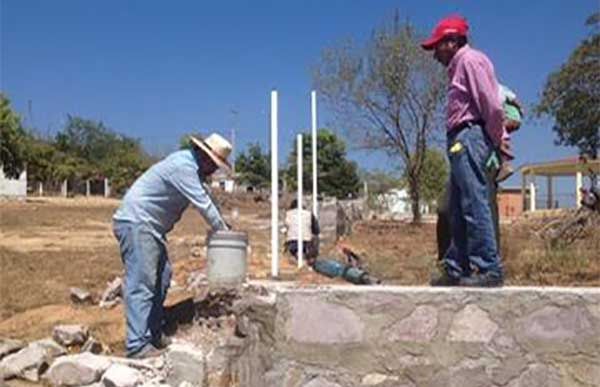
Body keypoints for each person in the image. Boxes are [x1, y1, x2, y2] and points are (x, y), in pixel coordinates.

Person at [112, 133, 232, 358]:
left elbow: (209, 200)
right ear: (205, 157)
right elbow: (204, 205)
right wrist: (226, 233)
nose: (215, 171)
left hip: (150, 227)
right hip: (137, 222)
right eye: (214, 166)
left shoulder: (193, 170)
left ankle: (153, 333)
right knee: (143, 282)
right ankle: (137, 345)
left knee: (163, 277)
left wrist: (224, 223)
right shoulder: (183, 167)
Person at [422, 15, 504, 287]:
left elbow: (491, 105)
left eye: (438, 47)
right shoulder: (458, 67)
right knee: (456, 207)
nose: (435, 54)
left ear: (453, 41)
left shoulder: (470, 61)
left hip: (470, 134)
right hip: (460, 137)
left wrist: (495, 139)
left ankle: (488, 268)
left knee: (473, 202)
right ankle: (457, 267)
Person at [284, 199, 320, 265]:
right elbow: (316, 230)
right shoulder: (309, 214)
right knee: (316, 238)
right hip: (306, 243)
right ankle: (312, 258)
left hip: (292, 243)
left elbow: (286, 227)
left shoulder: (288, 214)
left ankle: (295, 255)